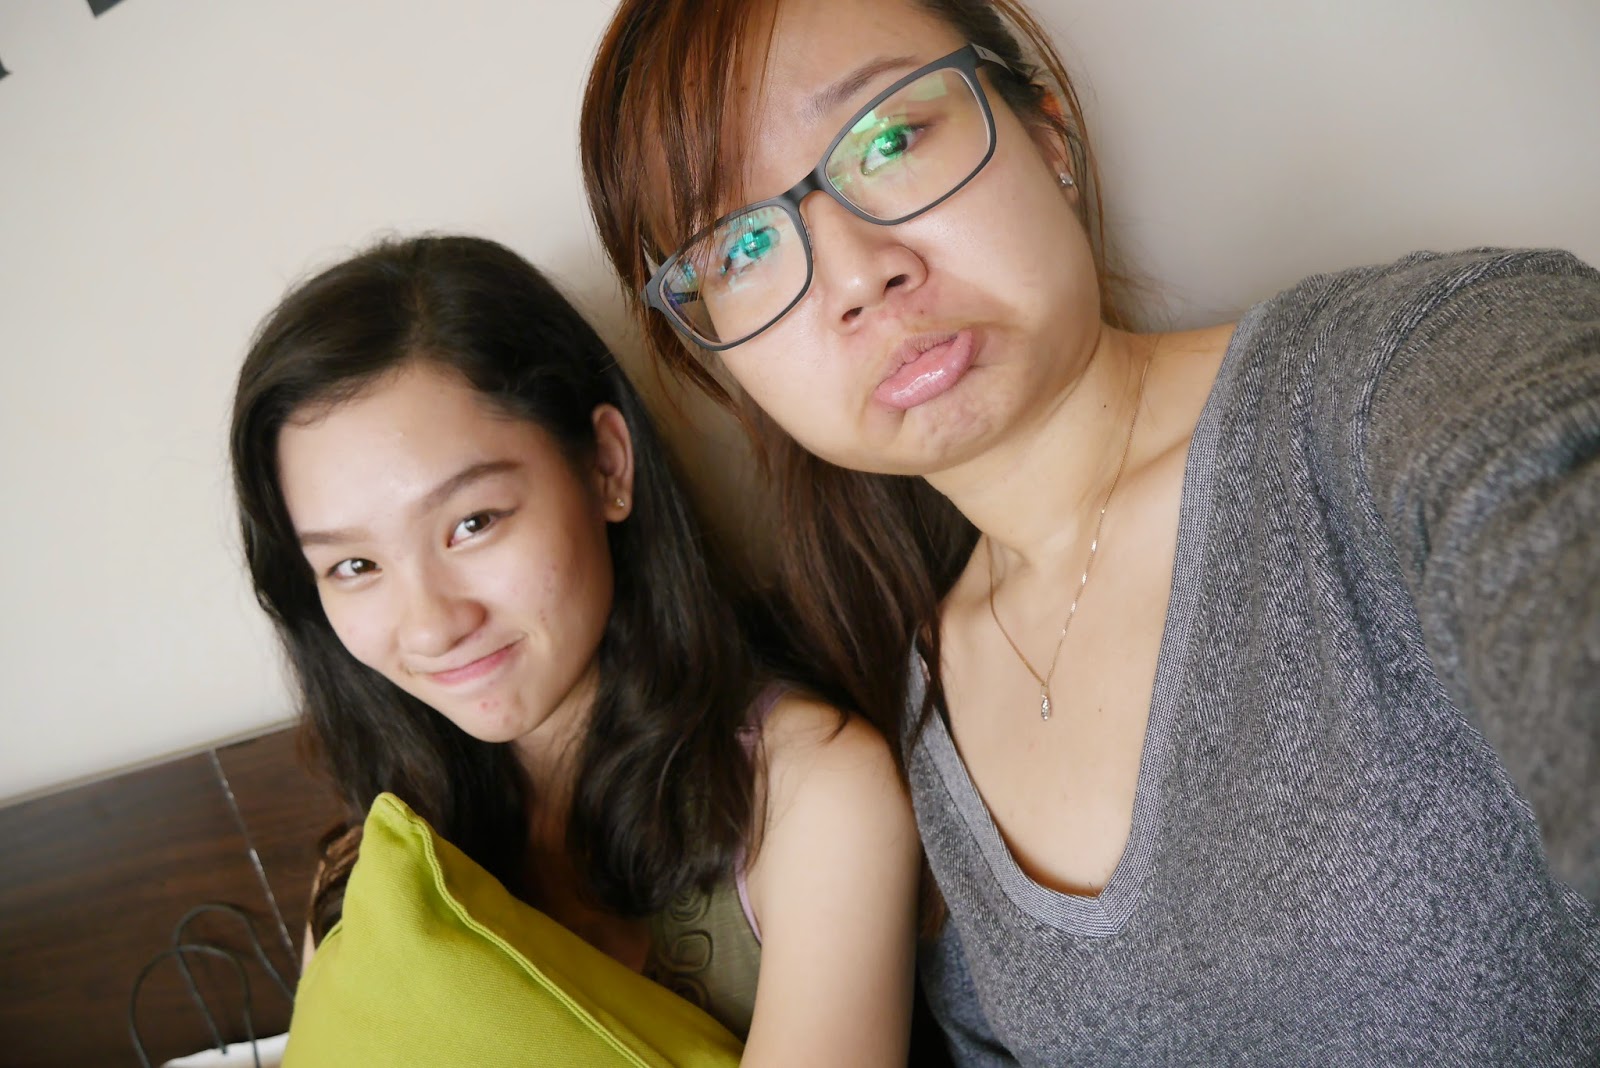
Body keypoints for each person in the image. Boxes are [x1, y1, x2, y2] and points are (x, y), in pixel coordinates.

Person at [578, 0, 1600, 1062]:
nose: (855, 275)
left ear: (1048, 137)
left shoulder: (1404, 379)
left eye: (888, 139)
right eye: (741, 244)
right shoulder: (918, 723)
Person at [228, 234, 919, 1064]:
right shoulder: (368, 880)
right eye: (354, 566)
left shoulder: (811, 797)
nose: (431, 626)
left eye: (472, 523)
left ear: (607, 468)